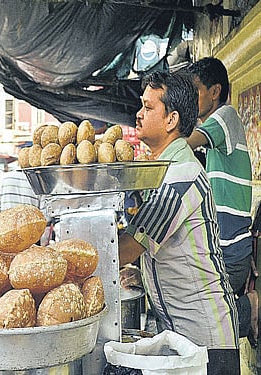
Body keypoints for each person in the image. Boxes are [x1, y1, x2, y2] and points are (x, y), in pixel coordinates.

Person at [118, 71, 239, 375]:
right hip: (183, 339)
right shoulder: (166, 171)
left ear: (171, 120)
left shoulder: (181, 175)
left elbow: (129, 246)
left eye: (148, 107)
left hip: (208, 345)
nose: (139, 113)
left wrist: (70, 261)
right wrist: (142, 273)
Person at [186, 57, 256, 344]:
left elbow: (184, 143)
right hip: (222, 247)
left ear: (215, 92)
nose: (192, 99)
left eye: (196, 91)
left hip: (231, 251)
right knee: (209, 326)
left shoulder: (225, 117)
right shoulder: (216, 132)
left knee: (208, 325)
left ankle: (251, 306)